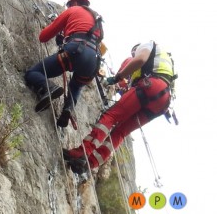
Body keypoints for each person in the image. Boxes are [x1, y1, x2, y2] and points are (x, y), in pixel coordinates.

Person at [63, 40, 175, 174]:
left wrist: (117, 78)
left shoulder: (148, 45)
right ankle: (90, 163)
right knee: (121, 131)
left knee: (111, 116)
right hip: (162, 102)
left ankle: (82, 152)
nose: (133, 55)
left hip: (150, 86)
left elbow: (139, 60)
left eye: (134, 52)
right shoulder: (165, 61)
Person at [24, 0, 104, 127]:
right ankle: (67, 110)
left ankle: (48, 87)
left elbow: (43, 37)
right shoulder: (97, 19)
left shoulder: (74, 10)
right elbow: (89, 36)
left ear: (75, 2)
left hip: (76, 50)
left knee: (32, 73)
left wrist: (56, 30)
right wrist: (66, 38)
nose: (68, 8)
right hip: (93, 61)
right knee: (76, 86)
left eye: (70, 5)